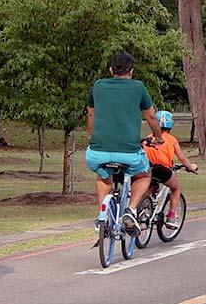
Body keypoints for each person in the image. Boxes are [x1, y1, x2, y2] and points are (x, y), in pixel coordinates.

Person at [85, 50, 164, 236]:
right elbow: (151, 116)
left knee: (103, 176)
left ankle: (103, 216)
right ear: (131, 71)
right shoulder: (138, 88)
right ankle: (131, 210)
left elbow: (90, 113)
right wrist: (158, 137)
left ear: (111, 69)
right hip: (128, 153)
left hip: (97, 152)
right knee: (143, 175)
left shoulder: (98, 86)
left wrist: (91, 136)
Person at [142, 110, 198, 222]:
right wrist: (191, 167)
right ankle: (171, 216)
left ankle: (143, 210)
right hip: (163, 170)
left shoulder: (148, 138)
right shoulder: (172, 140)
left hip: (147, 169)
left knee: (146, 187)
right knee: (176, 188)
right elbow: (181, 158)